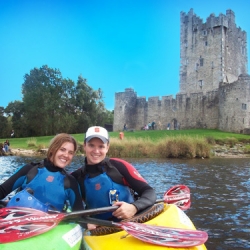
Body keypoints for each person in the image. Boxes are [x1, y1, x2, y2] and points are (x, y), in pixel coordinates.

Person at [71, 126, 156, 226]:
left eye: (101, 146)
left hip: (133, 222)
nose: (96, 151)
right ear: (85, 146)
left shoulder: (119, 166)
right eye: (91, 145)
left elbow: (149, 191)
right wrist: (85, 224)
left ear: (107, 147)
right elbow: (70, 209)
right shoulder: (76, 178)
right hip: (100, 230)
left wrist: (134, 207)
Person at [0, 133, 84, 212]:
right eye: (62, 150)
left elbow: (80, 215)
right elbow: (2, 190)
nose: (66, 155)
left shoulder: (70, 182)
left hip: (51, 225)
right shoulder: (29, 170)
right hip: (19, 220)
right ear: (53, 149)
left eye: (70, 153)